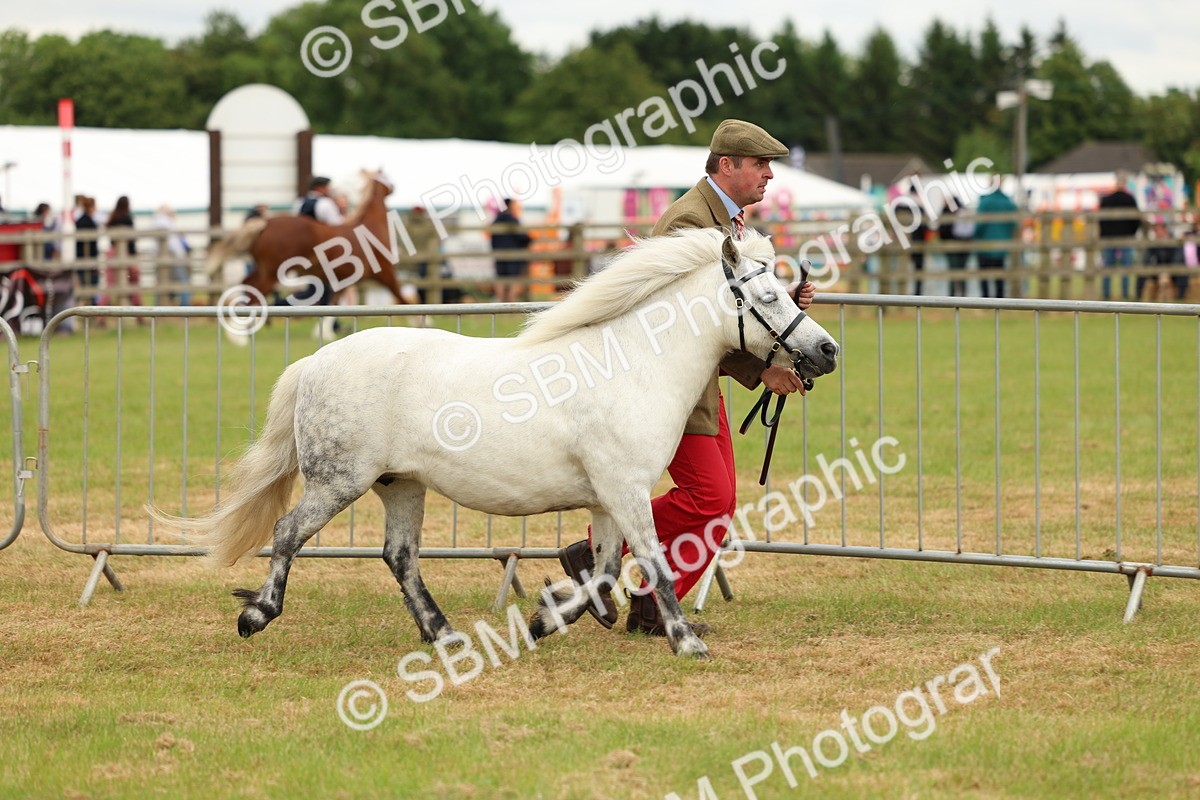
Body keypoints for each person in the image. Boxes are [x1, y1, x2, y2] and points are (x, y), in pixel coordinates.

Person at [557, 119, 815, 636]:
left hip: (699, 386)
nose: (769, 175)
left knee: (718, 506)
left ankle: (650, 606)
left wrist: (785, 306)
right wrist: (761, 370)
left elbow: (732, 305)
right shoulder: (690, 223)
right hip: (668, 390)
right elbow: (686, 321)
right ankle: (594, 552)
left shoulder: (729, 219)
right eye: (760, 164)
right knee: (709, 500)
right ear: (728, 165)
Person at [1098, 173, 1141, 301]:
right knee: (1126, 267)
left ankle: (1106, 294)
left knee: (1107, 267)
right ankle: (1125, 294)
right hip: (1126, 237)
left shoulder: (1106, 199)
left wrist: (1105, 233)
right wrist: (1132, 232)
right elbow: (1136, 220)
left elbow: (1101, 220)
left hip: (1108, 237)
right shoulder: (1130, 199)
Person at [973, 185, 1018, 298]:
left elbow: (978, 225)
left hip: (984, 246)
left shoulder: (985, 202)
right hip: (1001, 247)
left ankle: (985, 301)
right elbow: (1014, 224)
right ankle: (1000, 300)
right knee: (1000, 277)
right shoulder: (1008, 203)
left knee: (984, 277)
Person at [490, 198, 531, 303]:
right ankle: (511, 304)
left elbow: (492, 239)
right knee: (513, 280)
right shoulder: (514, 220)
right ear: (510, 206)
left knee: (500, 280)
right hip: (514, 256)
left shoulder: (496, 221)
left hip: (499, 255)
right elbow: (523, 238)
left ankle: (501, 303)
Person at [105, 196, 140, 305]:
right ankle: (139, 313)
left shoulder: (113, 218)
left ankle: (100, 316)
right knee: (134, 283)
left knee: (110, 284)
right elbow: (131, 240)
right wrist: (134, 259)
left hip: (112, 252)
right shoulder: (127, 219)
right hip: (126, 253)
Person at [153, 204, 191, 306]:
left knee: (161, 281)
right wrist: (180, 255)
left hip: (162, 255)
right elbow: (173, 242)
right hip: (173, 256)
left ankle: (157, 306)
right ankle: (185, 306)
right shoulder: (165, 222)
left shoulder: (158, 221)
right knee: (183, 281)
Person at [938, 196, 974, 297]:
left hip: (952, 248)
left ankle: (953, 295)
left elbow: (942, 232)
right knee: (961, 272)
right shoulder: (964, 212)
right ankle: (962, 295)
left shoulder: (946, 212)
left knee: (954, 273)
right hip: (962, 248)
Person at [74, 196, 100, 303]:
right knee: (91, 285)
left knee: (82, 284)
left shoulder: (79, 221)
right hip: (90, 257)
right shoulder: (90, 222)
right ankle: (92, 307)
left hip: (80, 257)